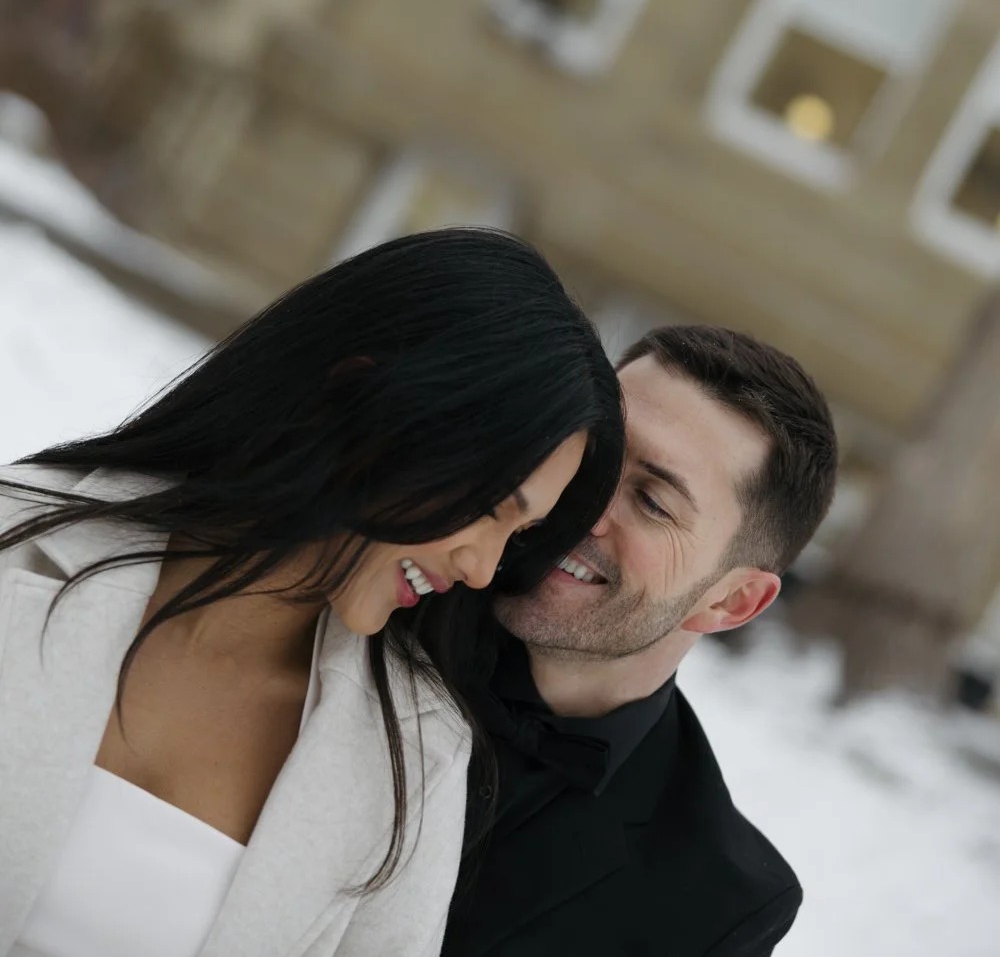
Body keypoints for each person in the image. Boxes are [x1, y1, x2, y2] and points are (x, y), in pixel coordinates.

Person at [0, 228, 625, 957]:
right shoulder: (16, 537)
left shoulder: (414, 762)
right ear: (354, 402)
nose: (483, 570)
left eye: (518, 535)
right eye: (490, 507)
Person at [444, 324, 839, 957]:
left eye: (653, 501)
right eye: (597, 455)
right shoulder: (375, 599)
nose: (585, 506)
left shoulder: (715, 906)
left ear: (732, 601)